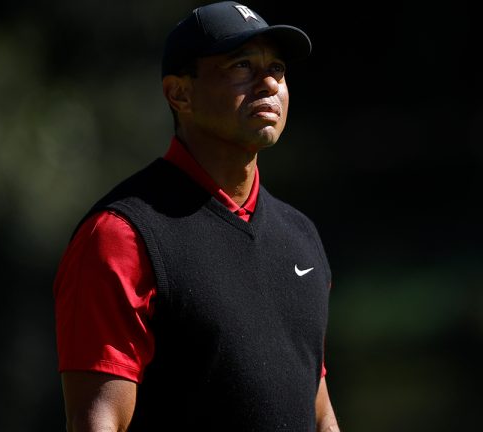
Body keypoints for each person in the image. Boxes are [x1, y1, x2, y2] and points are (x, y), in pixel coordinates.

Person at [52, 1, 341, 431]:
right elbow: (99, 421)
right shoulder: (122, 236)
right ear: (179, 93)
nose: (267, 84)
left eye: (277, 68)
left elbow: (318, 415)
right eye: (242, 65)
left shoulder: (301, 236)